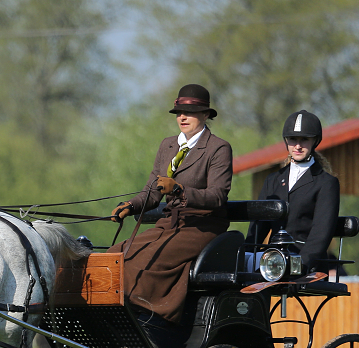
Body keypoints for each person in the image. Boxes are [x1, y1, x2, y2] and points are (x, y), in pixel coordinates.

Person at [108, 84, 232, 327]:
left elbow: (218, 196)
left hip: (201, 227)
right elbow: (151, 192)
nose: (182, 117)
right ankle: (118, 318)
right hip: (169, 223)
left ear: (206, 114)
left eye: (190, 112)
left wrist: (179, 190)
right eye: (178, 112)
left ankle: (150, 318)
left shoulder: (218, 148)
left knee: (145, 261)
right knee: (114, 255)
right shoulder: (168, 146)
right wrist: (130, 206)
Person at [246, 110, 339, 273]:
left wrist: (300, 264)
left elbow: (321, 234)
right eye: (293, 139)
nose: (297, 145)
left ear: (314, 141)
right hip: (273, 262)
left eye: (304, 139)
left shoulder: (326, 183)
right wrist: (245, 256)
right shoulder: (273, 180)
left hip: (307, 263)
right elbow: (259, 227)